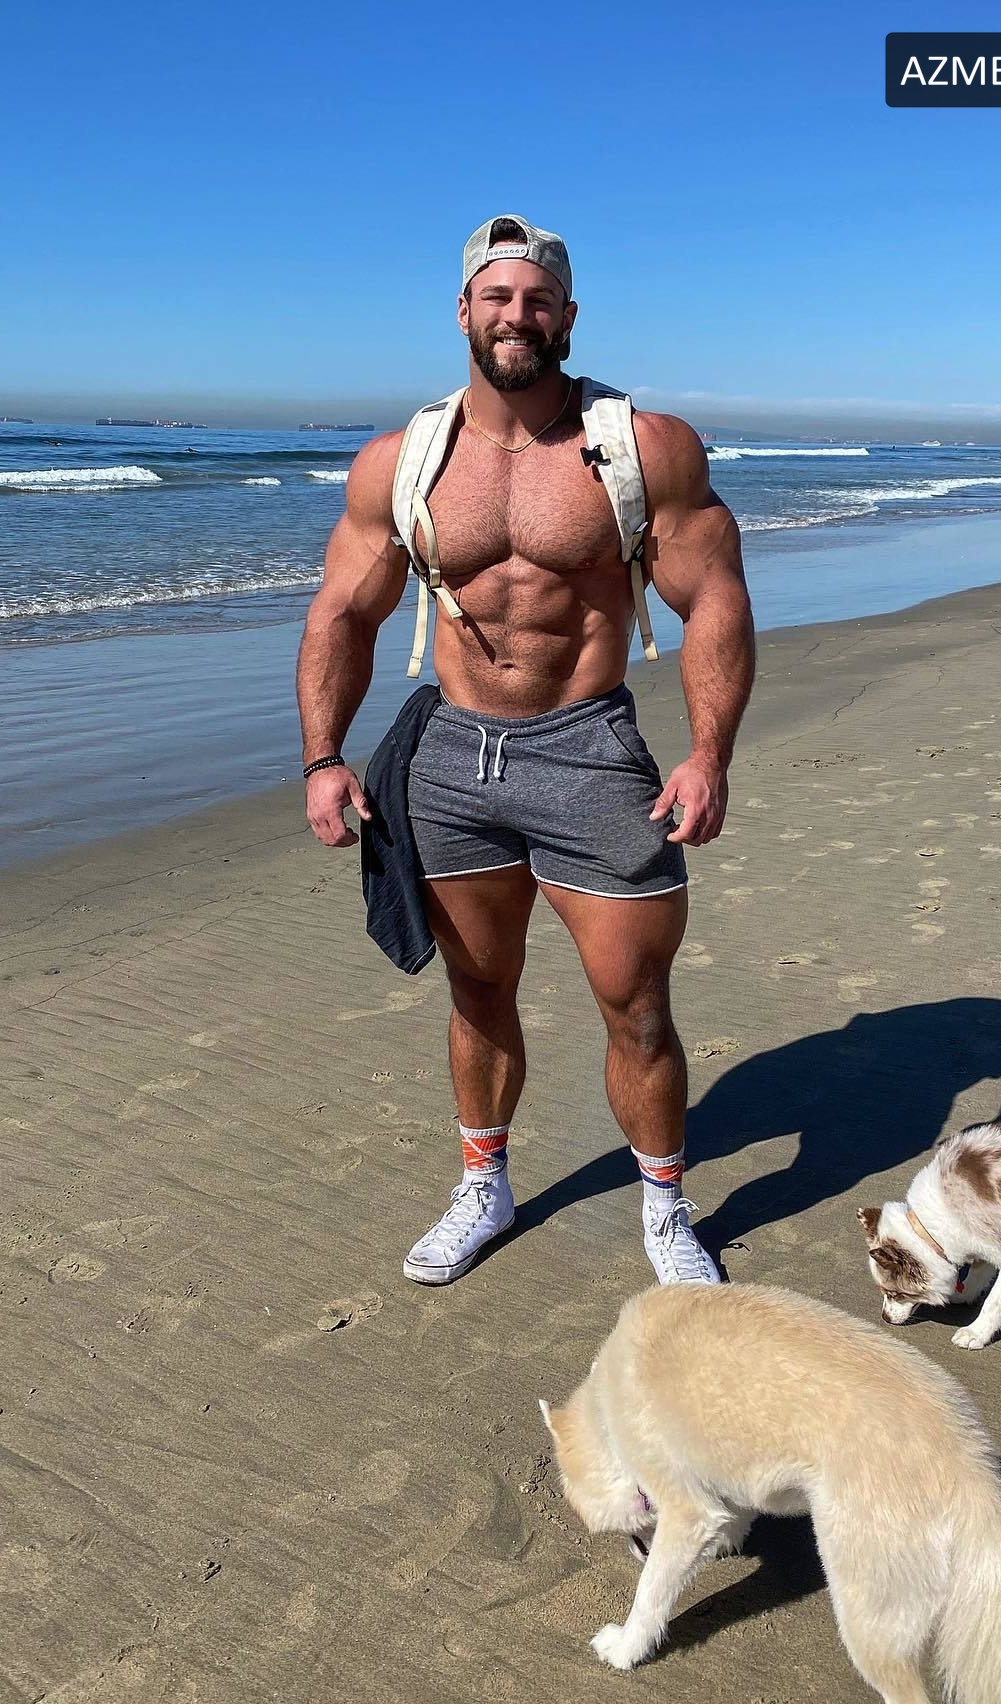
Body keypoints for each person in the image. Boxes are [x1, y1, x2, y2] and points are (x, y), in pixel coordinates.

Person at [295, 215, 755, 1286]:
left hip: (589, 749)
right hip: (453, 757)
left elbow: (715, 600)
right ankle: (484, 1185)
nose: (517, 315)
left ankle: (664, 1209)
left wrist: (709, 754)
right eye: (496, 297)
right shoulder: (400, 464)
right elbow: (343, 613)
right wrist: (323, 758)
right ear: (464, 311)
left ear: (568, 316)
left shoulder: (644, 448)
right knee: (476, 988)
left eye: (537, 299)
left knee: (636, 1004)